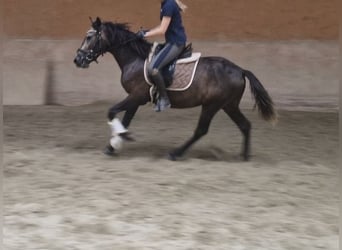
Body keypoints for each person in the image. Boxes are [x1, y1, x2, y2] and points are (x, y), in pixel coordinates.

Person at [137, 0, 188, 112]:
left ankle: (165, 99)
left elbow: (162, 30)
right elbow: (163, 25)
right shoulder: (165, 4)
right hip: (171, 42)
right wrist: (148, 31)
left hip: (176, 43)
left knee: (153, 69)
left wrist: (145, 34)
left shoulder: (169, 5)